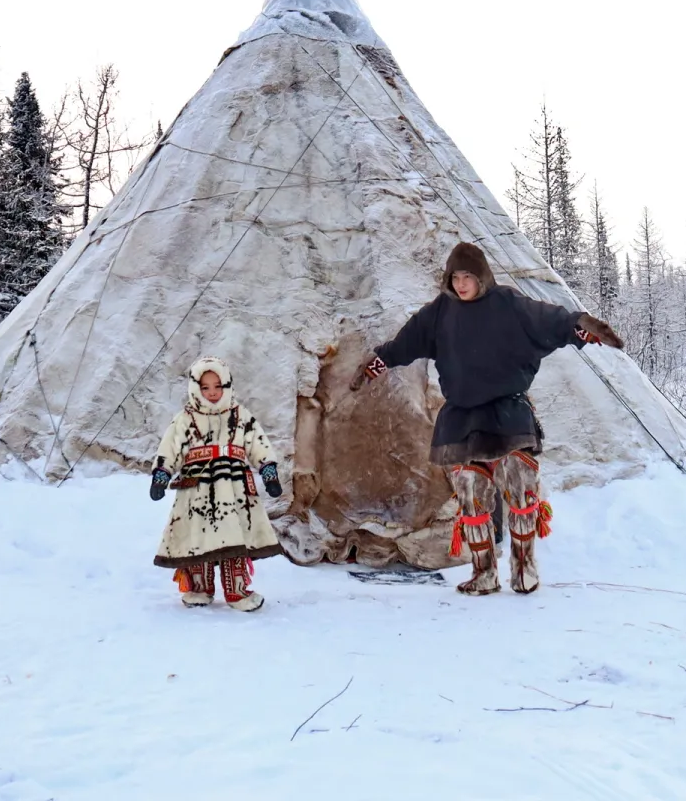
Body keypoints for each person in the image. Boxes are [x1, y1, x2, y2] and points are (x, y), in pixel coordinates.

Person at [350, 242, 622, 595]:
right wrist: (377, 363)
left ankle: (524, 570)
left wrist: (581, 327)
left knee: (522, 496)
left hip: (508, 415)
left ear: (482, 277)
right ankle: (484, 573)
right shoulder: (439, 313)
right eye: (455, 277)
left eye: (468, 277)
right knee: (472, 502)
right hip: (462, 420)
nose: (461, 284)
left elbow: (549, 319)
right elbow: (407, 341)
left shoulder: (508, 303)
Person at [149, 356, 284, 610]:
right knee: (197, 537)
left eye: (217, 386)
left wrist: (268, 471)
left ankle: (238, 591)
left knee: (235, 536)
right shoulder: (185, 418)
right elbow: (170, 447)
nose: (212, 393)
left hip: (234, 489)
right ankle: (199, 587)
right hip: (196, 487)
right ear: (195, 388)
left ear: (227, 385)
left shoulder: (240, 415)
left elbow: (258, 443)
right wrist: (161, 475)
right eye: (205, 387)